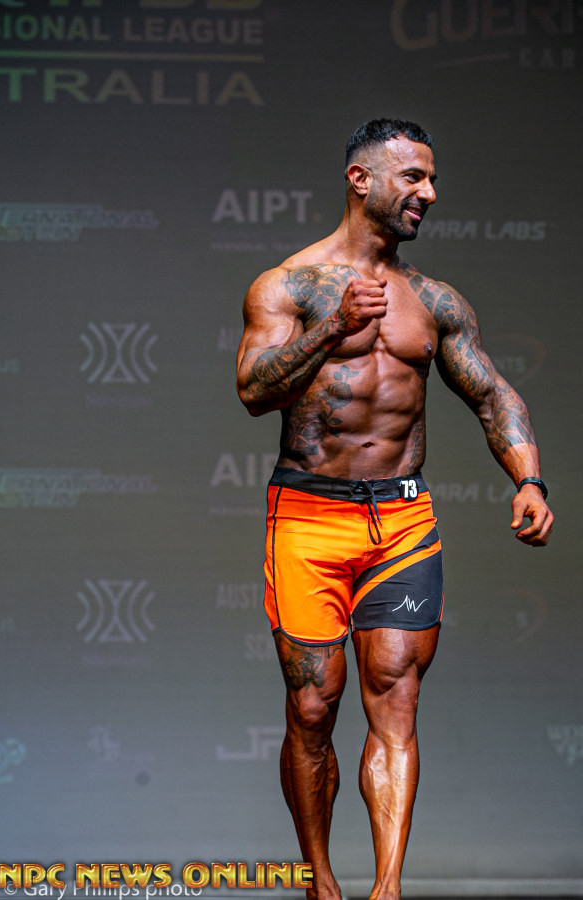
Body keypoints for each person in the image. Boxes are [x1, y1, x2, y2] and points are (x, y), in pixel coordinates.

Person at [235, 118, 553, 900]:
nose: (430, 193)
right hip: (309, 517)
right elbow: (252, 390)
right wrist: (332, 330)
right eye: (414, 177)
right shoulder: (287, 285)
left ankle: (387, 891)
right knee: (314, 705)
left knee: (396, 700)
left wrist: (529, 479)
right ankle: (320, 883)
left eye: (432, 179)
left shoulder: (434, 301)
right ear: (361, 180)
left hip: (403, 521)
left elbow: (491, 394)